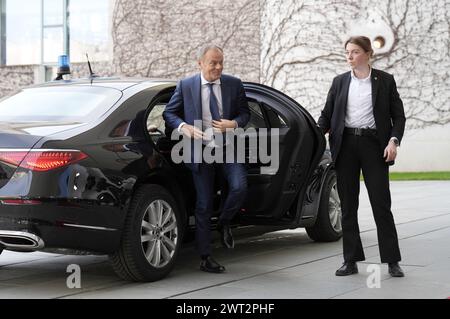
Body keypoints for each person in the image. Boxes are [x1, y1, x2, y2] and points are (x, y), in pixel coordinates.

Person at [318, 36, 406, 277]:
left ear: (368, 54)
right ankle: (351, 260)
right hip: (345, 145)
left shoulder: (385, 81)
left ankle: (392, 261)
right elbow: (326, 115)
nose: (350, 56)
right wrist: (315, 134)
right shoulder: (339, 82)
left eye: (355, 51)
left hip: (374, 146)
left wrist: (393, 141)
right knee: (348, 206)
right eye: (347, 52)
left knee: (381, 204)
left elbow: (398, 117)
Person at [163, 45, 250, 273]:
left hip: (227, 147)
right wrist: (184, 127)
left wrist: (234, 124)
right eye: (213, 63)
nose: (218, 67)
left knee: (240, 187)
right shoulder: (186, 86)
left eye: (221, 62)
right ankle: (205, 257)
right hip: (199, 150)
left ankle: (223, 222)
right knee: (203, 205)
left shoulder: (234, 83)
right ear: (200, 63)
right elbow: (169, 113)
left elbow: (245, 114)